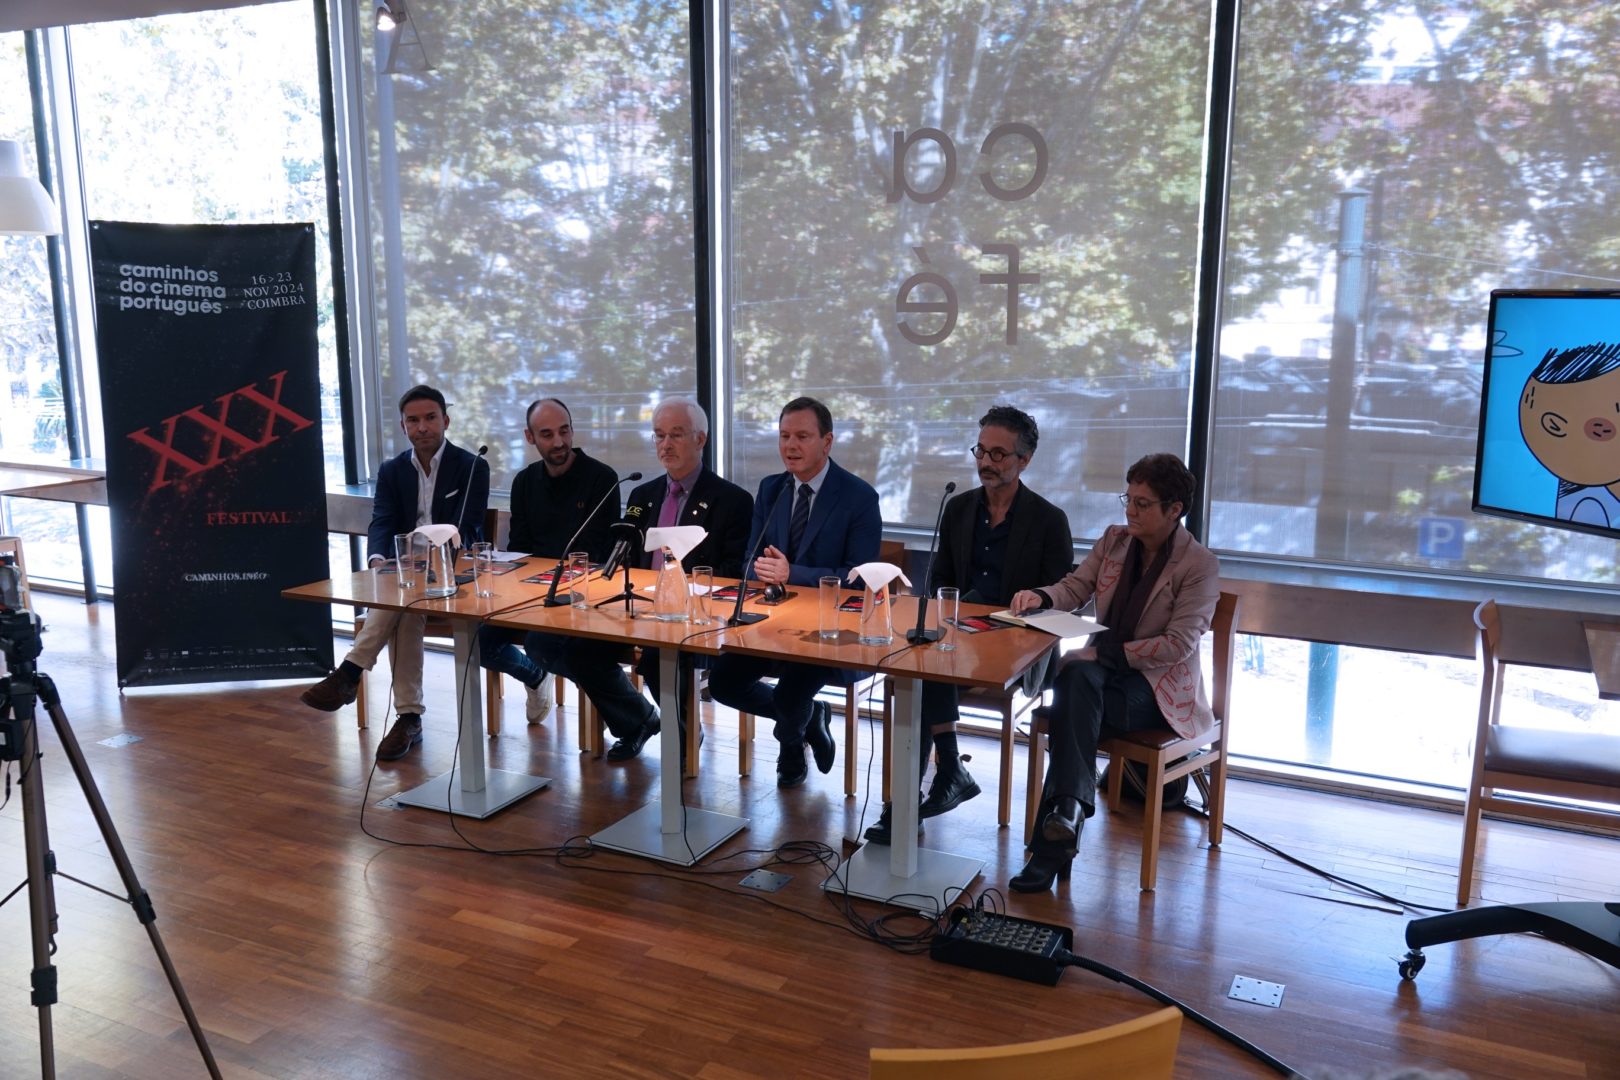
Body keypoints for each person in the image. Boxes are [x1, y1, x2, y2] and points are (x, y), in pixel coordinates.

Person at [1006, 452, 1219, 892]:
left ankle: (1053, 843)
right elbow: (1076, 587)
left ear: (1174, 509)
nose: (1130, 511)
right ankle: (1067, 814)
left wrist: (1102, 655)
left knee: (1072, 699)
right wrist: (1041, 598)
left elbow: (1178, 644)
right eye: (1128, 499)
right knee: (1075, 682)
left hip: (1157, 689)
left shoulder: (1198, 564)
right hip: (1102, 681)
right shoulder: (1115, 540)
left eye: (1143, 503)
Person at [864, 405, 1072, 844]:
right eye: (980, 450)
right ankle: (937, 779)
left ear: (1024, 460)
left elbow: (1060, 597)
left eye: (998, 454)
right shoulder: (958, 508)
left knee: (927, 667)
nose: (985, 462)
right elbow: (941, 578)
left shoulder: (1049, 520)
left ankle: (913, 800)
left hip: (1017, 644)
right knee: (922, 665)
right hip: (957, 637)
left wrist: (1029, 601)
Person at [300, 384, 489, 760]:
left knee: (401, 599)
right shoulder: (391, 470)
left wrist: (431, 557)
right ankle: (408, 717)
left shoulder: (472, 466)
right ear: (403, 427)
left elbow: (468, 528)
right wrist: (377, 560)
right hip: (406, 577)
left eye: (430, 418)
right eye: (413, 421)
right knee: (405, 607)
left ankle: (352, 672)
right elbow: (382, 521)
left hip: (454, 574)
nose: (423, 427)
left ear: (446, 421)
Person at [708, 396, 882, 788]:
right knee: (722, 683)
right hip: (772, 622)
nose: (790, 445)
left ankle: (790, 746)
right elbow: (749, 560)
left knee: (790, 693)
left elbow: (860, 579)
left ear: (827, 441)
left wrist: (792, 574)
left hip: (830, 632)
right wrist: (760, 569)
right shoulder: (771, 489)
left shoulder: (858, 497)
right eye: (784, 436)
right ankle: (811, 716)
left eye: (802, 436)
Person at [482, 397, 661, 759]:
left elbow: (596, 552)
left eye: (564, 431)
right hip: (532, 591)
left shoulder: (602, 478)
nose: (559, 441)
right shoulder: (524, 482)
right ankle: (535, 675)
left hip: (581, 593)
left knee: (545, 645)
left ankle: (636, 718)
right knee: (479, 640)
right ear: (530, 437)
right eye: (547, 434)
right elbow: (520, 548)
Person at [617, 397, 753, 748]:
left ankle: (683, 735)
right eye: (659, 435)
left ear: (700, 439)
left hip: (697, 614)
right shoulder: (642, 494)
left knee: (656, 658)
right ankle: (640, 720)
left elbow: (734, 571)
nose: (665, 444)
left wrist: (684, 589)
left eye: (676, 435)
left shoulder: (732, 500)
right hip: (640, 609)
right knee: (578, 647)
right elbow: (626, 557)